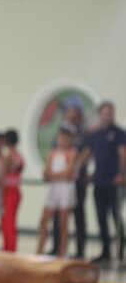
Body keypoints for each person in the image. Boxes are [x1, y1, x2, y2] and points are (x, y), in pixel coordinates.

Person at [81, 101, 126, 264]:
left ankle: (119, 251)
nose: (109, 116)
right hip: (99, 181)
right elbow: (87, 155)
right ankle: (105, 251)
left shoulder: (119, 133)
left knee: (116, 217)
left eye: (111, 113)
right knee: (101, 217)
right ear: (100, 114)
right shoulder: (94, 135)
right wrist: (79, 171)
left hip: (115, 183)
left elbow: (123, 154)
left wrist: (121, 174)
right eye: (106, 113)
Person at [50, 105, 89, 259]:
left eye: (75, 116)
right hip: (60, 184)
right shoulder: (59, 135)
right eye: (70, 116)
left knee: (79, 216)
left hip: (77, 182)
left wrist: (75, 167)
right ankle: (56, 247)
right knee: (58, 217)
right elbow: (54, 156)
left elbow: (84, 155)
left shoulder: (83, 135)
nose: (72, 119)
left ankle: (80, 251)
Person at [36, 126, 78, 258]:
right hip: (54, 188)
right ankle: (39, 251)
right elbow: (46, 173)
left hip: (66, 188)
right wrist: (55, 175)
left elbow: (68, 173)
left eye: (66, 137)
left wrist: (52, 175)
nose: (62, 140)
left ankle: (61, 253)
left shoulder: (72, 153)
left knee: (63, 223)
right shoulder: (52, 153)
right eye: (61, 137)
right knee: (44, 220)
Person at [0, 129, 24, 252]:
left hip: (9, 191)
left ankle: (9, 249)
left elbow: (3, 176)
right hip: (15, 190)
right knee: (10, 222)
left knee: (7, 223)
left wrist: (1, 194)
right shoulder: (19, 156)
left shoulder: (8, 157)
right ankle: (9, 248)